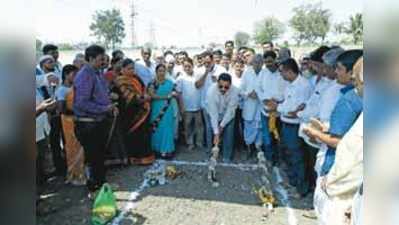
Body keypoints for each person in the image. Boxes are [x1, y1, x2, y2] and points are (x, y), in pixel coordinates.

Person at [73, 44, 118, 194]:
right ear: (90, 59)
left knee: (99, 157)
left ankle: (102, 185)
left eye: (104, 59)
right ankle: (94, 188)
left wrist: (110, 105)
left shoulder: (97, 72)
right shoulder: (85, 75)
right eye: (100, 60)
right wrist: (104, 109)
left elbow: (102, 94)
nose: (103, 62)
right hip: (87, 125)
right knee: (93, 158)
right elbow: (82, 103)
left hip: (98, 122)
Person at [275, 58, 312, 196]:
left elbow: (294, 113)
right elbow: (288, 106)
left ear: (289, 71)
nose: (281, 75)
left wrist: (276, 107)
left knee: (297, 157)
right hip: (286, 124)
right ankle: (293, 183)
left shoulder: (303, 86)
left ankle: (301, 189)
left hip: (294, 126)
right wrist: (280, 106)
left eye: (282, 72)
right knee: (288, 154)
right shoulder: (290, 84)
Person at [114, 58, 155, 165]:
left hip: (143, 110)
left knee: (144, 134)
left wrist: (146, 94)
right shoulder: (120, 80)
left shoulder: (136, 78)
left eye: (133, 68)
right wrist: (143, 98)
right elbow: (128, 96)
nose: (132, 71)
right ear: (122, 69)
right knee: (133, 135)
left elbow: (143, 88)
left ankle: (146, 158)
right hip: (130, 113)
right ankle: (134, 158)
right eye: (129, 69)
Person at [55, 64, 86, 186]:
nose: (76, 77)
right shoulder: (61, 90)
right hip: (69, 121)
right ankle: (74, 174)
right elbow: (62, 109)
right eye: (74, 75)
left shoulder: (76, 87)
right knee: (72, 146)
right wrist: (78, 111)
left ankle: (82, 172)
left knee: (81, 145)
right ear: (66, 75)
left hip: (78, 119)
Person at [258, 50, 288, 166]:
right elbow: (258, 88)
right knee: (267, 138)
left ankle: (281, 160)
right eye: (266, 62)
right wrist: (266, 100)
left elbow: (287, 89)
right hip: (266, 111)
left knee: (280, 138)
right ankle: (270, 159)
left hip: (280, 112)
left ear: (275, 60)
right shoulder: (263, 73)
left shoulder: (282, 73)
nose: (268, 64)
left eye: (270, 61)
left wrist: (277, 102)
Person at [195, 51, 226, 153]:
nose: (207, 64)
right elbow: (197, 85)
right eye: (205, 62)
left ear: (213, 60)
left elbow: (227, 86)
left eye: (209, 62)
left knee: (219, 127)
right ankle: (209, 149)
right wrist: (206, 73)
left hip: (220, 104)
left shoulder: (221, 69)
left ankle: (218, 148)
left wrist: (217, 81)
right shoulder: (199, 70)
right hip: (206, 104)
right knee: (209, 127)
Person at [206, 73, 239, 162]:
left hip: (227, 114)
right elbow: (213, 114)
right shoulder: (211, 92)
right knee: (210, 131)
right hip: (212, 112)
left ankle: (227, 156)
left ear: (230, 85)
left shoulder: (235, 92)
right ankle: (210, 154)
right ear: (217, 83)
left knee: (229, 132)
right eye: (220, 86)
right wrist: (216, 133)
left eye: (226, 87)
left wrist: (221, 126)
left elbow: (230, 112)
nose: (223, 89)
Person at [148, 64, 179, 159]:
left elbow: (175, 93)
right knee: (157, 129)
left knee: (167, 128)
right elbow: (152, 95)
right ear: (156, 72)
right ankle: (156, 149)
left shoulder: (170, 82)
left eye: (163, 71)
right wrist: (166, 97)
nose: (161, 73)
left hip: (168, 109)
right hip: (157, 109)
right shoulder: (152, 83)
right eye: (159, 71)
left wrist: (174, 95)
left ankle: (167, 150)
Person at [240, 54, 264, 159]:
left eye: (259, 62)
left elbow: (269, 90)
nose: (257, 64)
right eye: (255, 62)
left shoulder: (265, 73)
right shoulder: (247, 73)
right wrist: (248, 94)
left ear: (262, 63)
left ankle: (259, 150)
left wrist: (259, 94)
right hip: (249, 106)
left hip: (261, 107)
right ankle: (249, 149)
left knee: (260, 129)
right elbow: (240, 90)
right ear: (252, 63)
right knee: (248, 128)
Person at [176, 58, 203, 151]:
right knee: (187, 126)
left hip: (198, 106)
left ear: (192, 66)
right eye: (185, 66)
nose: (187, 68)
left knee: (199, 126)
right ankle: (190, 143)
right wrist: (181, 106)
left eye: (189, 66)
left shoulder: (198, 76)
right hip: (187, 107)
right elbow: (179, 94)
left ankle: (199, 143)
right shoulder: (180, 78)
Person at [231, 59, 246, 151]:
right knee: (235, 126)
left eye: (241, 67)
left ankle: (245, 144)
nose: (239, 68)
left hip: (244, 106)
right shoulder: (231, 77)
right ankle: (236, 145)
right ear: (233, 67)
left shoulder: (246, 77)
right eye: (237, 66)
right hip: (234, 106)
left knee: (244, 126)